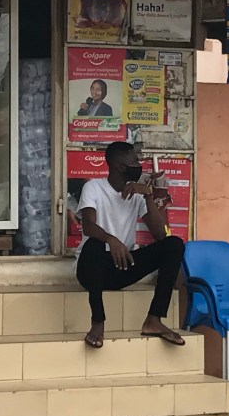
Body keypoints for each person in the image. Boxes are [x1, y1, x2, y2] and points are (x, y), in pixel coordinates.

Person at [74, 141, 185, 349]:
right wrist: (111, 239)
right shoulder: (94, 187)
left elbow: (160, 234)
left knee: (174, 244)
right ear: (120, 166)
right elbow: (88, 226)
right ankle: (98, 322)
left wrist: (148, 194)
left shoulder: (138, 194)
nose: (139, 164)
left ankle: (154, 319)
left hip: (123, 266)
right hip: (91, 270)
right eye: (134, 160)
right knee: (95, 245)